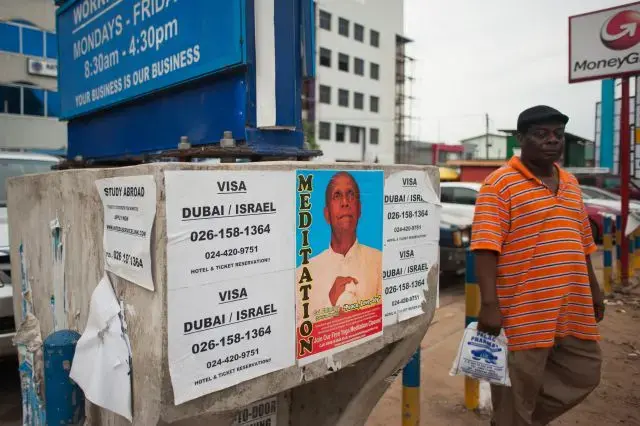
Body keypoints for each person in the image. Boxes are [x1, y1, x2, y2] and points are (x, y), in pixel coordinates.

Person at [470, 105, 605, 426]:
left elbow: (583, 243)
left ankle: (519, 419)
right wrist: (489, 305)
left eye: (558, 135)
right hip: (523, 314)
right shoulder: (499, 184)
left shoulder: (571, 183)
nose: (552, 141)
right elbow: (486, 249)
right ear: (521, 138)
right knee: (516, 393)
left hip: (572, 308)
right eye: (541, 134)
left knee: (585, 372)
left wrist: (595, 290)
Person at [296, 171, 382, 323]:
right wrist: (331, 304)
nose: (345, 202)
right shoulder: (304, 273)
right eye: (337, 196)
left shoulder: (379, 262)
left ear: (359, 208)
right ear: (327, 214)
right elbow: (301, 334)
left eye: (351, 195)